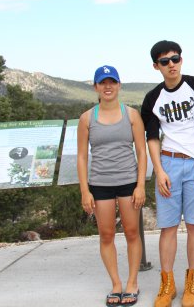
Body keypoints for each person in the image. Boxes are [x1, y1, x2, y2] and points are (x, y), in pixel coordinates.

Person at [141, 40, 194, 307]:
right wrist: (159, 170)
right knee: (168, 227)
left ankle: (192, 281)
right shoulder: (153, 98)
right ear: (156, 66)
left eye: (175, 59)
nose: (171, 65)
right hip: (169, 163)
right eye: (165, 61)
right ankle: (167, 285)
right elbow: (152, 137)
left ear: (181, 60)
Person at [77, 65, 147, 307]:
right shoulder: (87, 118)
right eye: (103, 82)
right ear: (96, 87)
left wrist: (140, 185)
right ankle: (116, 284)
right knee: (106, 234)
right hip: (100, 184)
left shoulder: (132, 115)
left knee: (132, 232)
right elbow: (82, 157)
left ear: (119, 85)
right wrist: (85, 191)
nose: (108, 87)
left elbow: (142, 151)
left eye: (112, 82)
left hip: (128, 181)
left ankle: (132, 282)